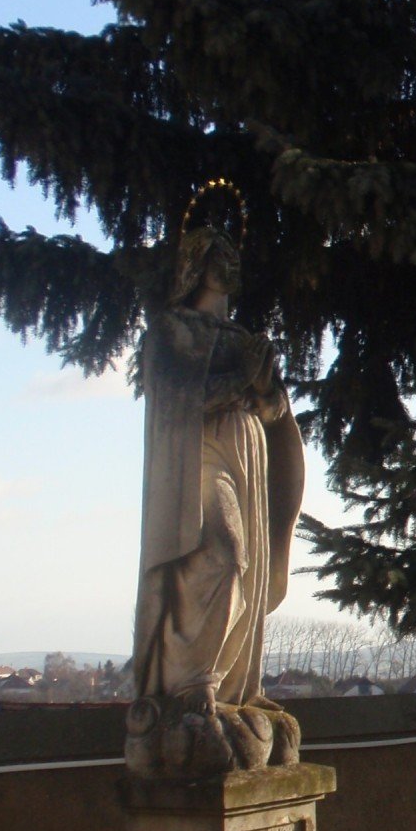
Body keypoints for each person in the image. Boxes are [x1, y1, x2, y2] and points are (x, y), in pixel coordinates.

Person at [126, 222, 305, 776]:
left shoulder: (243, 336)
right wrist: (240, 380)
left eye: (234, 253)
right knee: (222, 557)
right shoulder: (172, 331)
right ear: (196, 263)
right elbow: (179, 402)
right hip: (198, 458)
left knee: (247, 575)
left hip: (249, 458)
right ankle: (190, 689)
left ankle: (233, 690)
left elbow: (274, 414)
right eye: (218, 253)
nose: (230, 263)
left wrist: (266, 386)